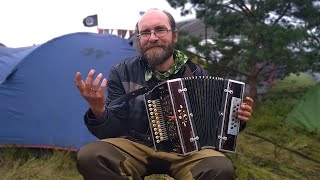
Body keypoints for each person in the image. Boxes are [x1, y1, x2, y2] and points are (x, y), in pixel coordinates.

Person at [74, 9, 254, 180]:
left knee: (220, 167)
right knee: (91, 156)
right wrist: (99, 110)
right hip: (136, 146)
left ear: (174, 35)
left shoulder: (197, 74)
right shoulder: (122, 72)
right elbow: (112, 131)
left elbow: (214, 125)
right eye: (145, 32)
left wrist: (237, 119)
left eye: (160, 30)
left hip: (186, 152)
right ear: (139, 38)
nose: (152, 38)